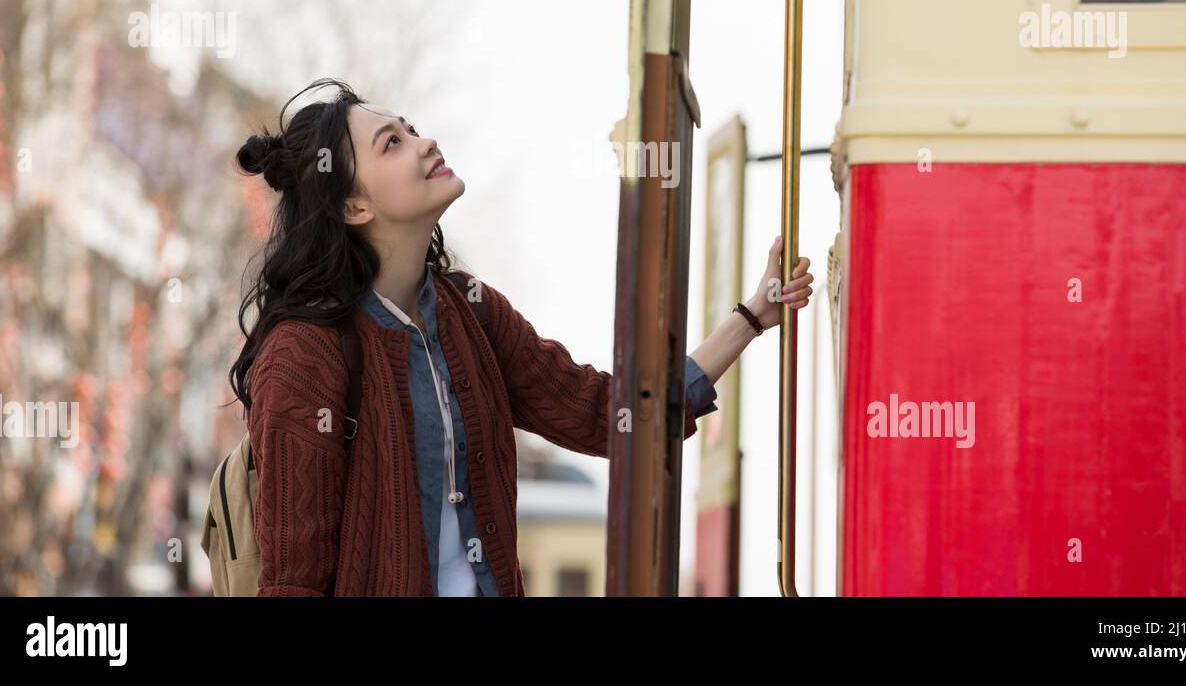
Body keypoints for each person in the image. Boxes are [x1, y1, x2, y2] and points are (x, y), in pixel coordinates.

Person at [230, 77, 813, 596]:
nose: (424, 142)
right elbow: (293, 582)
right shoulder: (305, 355)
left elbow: (602, 413)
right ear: (353, 204)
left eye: (411, 130)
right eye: (393, 143)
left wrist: (752, 318)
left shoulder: (470, 313)